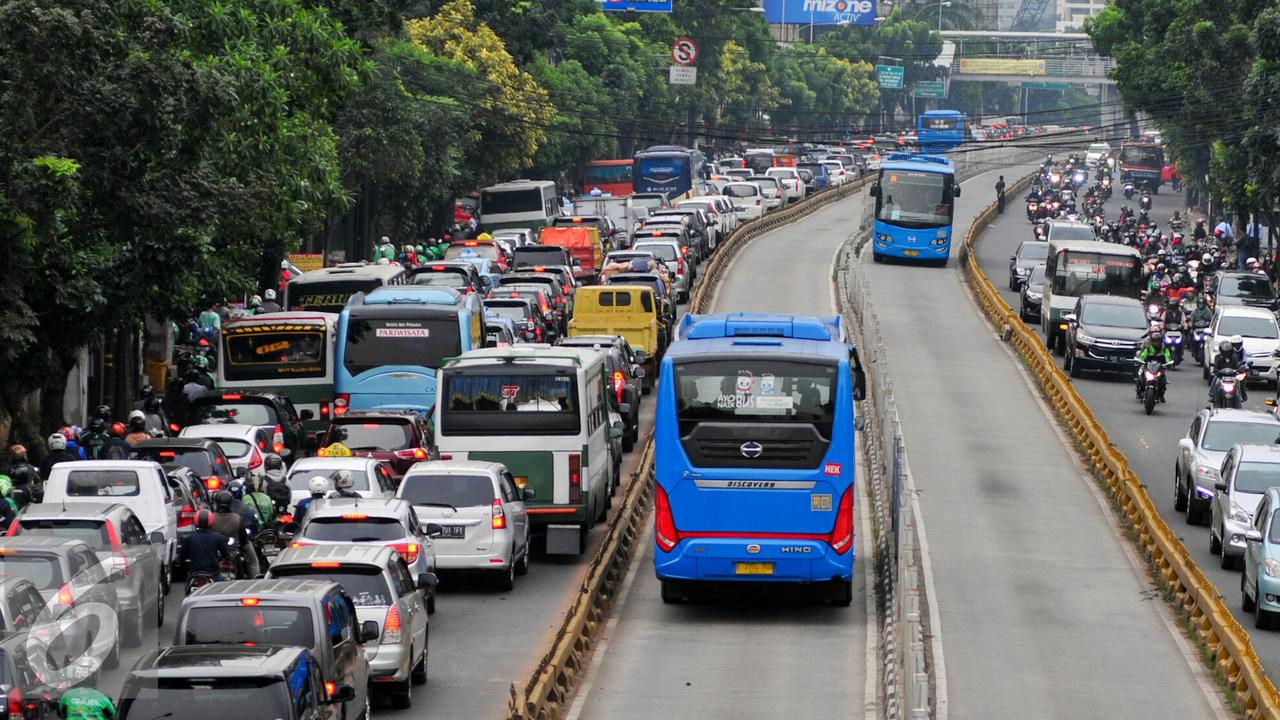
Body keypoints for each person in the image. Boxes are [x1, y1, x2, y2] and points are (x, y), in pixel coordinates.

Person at [181, 509, 233, 590]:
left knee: (187, 589)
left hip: (194, 572)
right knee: (222, 589)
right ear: (211, 521)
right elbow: (226, 556)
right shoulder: (218, 538)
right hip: (213, 573)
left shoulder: (189, 538)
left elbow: (182, 557)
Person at [209, 490, 249, 579]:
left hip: (215, 554)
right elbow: (244, 539)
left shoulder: (211, 518)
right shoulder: (237, 518)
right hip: (233, 553)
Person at [1135, 332, 1172, 402]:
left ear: (1161, 341)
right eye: (1154, 341)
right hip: (1148, 366)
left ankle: (1161, 395)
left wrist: (1168, 363)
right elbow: (1143, 356)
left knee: (1163, 380)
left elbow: (1167, 356)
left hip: (1159, 367)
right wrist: (1140, 361)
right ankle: (1139, 391)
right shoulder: (1148, 348)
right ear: (1151, 341)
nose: (1156, 343)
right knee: (1141, 376)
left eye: (1158, 341)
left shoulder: (1164, 349)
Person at [1211, 337, 1248, 402]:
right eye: (1225, 352)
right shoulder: (1218, 357)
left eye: (1228, 352)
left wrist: (1239, 370)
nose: (1226, 353)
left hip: (1232, 376)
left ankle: (1241, 395)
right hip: (1221, 376)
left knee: (1240, 379)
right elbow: (1215, 367)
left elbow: (1237, 366)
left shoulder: (1234, 357)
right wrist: (1216, 370)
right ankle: (1212, 394)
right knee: (1215, 379)